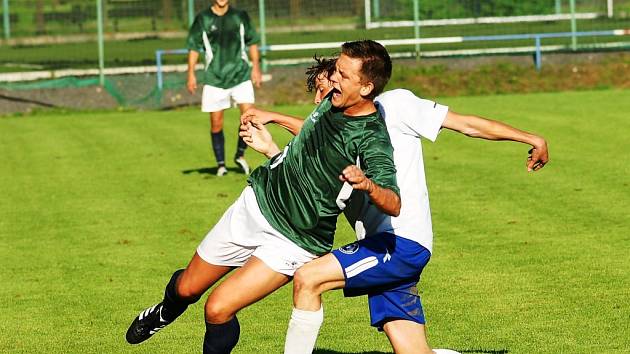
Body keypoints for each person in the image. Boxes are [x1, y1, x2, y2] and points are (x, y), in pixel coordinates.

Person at [239, 56, 549, 354]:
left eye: (333, 83)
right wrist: (271, 150)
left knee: (309, 278)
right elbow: (304, 171)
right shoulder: (332, 131)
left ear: (359, 83)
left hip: (401, 242)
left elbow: (467, 124)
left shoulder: (397, 105)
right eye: (320, 90)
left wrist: (530, 138)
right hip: (380, 245)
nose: (324, 95)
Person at [125, 40, 401, 354]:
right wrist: (273, 117)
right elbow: (313, 134)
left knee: (217, 308)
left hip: (296, 238)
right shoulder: (335, 100)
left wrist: (367, 185)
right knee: (187, 288)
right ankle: (165, 311)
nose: (332, 79)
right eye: (335, 70)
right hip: (258, 203)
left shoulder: (372, 138)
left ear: (366, 88)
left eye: (342, 75)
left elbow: (393, 201)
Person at [186, 0, 262, 176]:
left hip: (241, 74)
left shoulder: (240, 16)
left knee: (249, 117)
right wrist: (191, 73)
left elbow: (253, 42)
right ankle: (221, 165)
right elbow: (193, 48)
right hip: (215, 78)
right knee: (216, 123)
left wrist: (256, 68)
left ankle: (240, 155)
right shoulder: (203, 19)